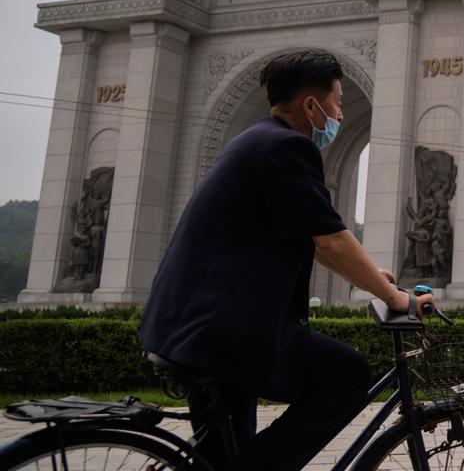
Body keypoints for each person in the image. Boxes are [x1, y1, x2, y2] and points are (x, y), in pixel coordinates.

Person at [140, 49, 433, 471]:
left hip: (193, 326)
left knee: (221, 457)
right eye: (336, 102)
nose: (339, 114)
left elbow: (313, 239)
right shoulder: (287, 149)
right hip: (222, 331)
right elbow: (330, 239)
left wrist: (371, 278)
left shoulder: (258, 139)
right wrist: (396, 297)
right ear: (312, 106)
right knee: (346, 376)